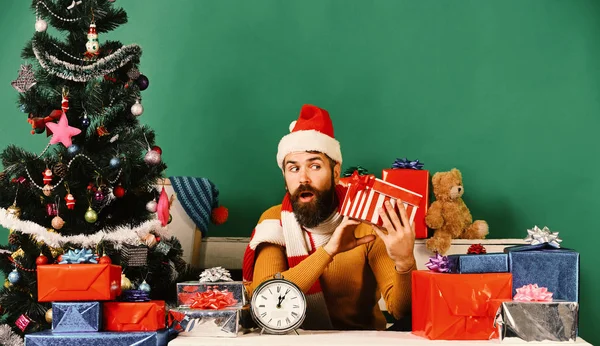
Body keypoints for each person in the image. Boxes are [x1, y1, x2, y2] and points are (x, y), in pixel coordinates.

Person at [242, 104, 416, 331]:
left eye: (315, 166)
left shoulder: (365, 221)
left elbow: (401, 311)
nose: (303, 178)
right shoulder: (274, 221)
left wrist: (405, 263)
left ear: (335, 173)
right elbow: (264, 300)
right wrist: (329, 251)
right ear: (285, 178)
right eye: (293, 169)